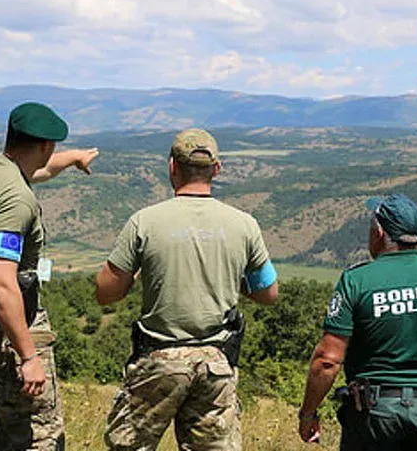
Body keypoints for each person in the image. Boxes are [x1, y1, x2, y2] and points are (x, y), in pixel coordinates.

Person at [95, 128, 279, 451]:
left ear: (172, 167)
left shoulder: (144, 222)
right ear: (216, 169)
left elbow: (105, 292)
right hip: (216, 363)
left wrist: (139, 274)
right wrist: (231, 276)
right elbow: (268, 293)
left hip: (158, 359)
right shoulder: (245, 225)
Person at [0, 102, 99, 451]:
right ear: (45, 145)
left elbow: (39, 170)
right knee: (39, 433)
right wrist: (28, 357)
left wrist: (74, 158)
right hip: (6, 325)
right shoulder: (15, 201)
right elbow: (0, 282)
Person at [297, 193, 417, 451]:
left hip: (374, 414)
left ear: (379, 232)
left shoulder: (356, 280)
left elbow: (327, 359)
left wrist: (308, 413)